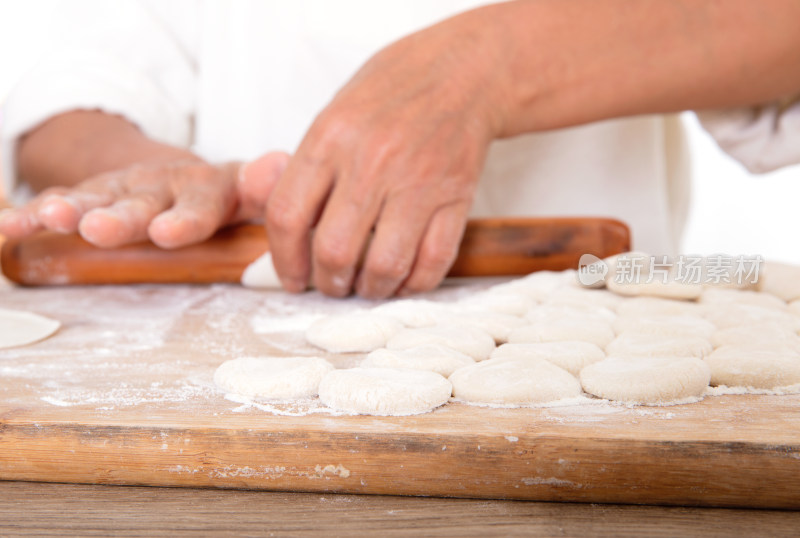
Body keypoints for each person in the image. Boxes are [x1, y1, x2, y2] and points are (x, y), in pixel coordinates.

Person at [1, 0, 799, 299]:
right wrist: (158, 176)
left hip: (602, 333)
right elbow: (66, 88)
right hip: (235, 344)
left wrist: (487, 66)